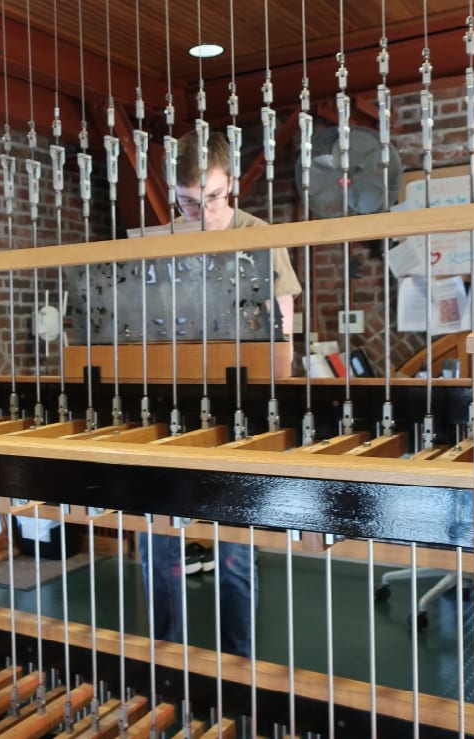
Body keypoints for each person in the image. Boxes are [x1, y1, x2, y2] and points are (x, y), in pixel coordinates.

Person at [138, 129, 302, 658]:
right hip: (170, 404)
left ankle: (240, 664)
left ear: (229, 185)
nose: (202, 213)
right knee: (154, 537)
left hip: (243, 407)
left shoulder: (261, 237)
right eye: (188, 203)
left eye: (211, 199)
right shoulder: (160, 243)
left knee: (235, 551)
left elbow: (283, 344)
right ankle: (167, 660)